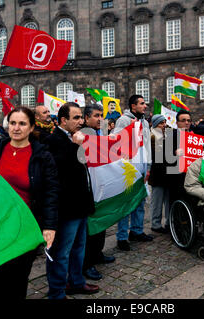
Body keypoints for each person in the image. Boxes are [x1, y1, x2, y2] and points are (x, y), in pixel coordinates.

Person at [0, 106, 59, 299]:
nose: (16, 128)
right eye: (13, 123)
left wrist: (49, 226)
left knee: (17, 278)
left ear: (31, 126)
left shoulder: (42, 155)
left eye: (22, 123)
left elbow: (51, 193)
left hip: (26, 226)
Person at [43, 102, 99, 299]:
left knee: (78, 248)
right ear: (63, 120)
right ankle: (57, 292)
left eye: (81, 117)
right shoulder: (53, 140)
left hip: (80, 204)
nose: (81, 121)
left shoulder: (74, 138)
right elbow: (58, 171)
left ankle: (77, 282)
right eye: (76, 118)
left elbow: (81, 168)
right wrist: (75, 146)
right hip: (66, 208)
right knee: (61, 252)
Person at [112, 95, 153, 251]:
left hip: (142, 166)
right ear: (133, 106)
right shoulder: (123, 120)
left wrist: (148, 167)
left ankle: (136, 230)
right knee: (126, 202)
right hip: (128, 167)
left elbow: (147, 146)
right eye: (142, 103)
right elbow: (116, 142)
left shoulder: (144, 122)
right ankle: (122, 236)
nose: (145, 105)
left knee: (140, 200)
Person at [80, 104, 115, 281]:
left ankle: (98, 254)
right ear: (86, 118)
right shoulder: (83, 135)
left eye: (102, 115)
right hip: (88, 188)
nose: (100, 118)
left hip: (100, 186)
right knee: (89, 229)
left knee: (101, 224)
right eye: (96, 115)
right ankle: (87, 264)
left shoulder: (99, 133)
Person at [149, 114, 170, 234]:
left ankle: (168, 222)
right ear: (155, 124)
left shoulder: (166, 135)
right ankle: (155, 224)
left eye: (164, 122)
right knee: (157, 201)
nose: (164, 125)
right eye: (161, 123)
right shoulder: (152, 137)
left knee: (168, 200)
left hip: (167, 173)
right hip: (157, 173)